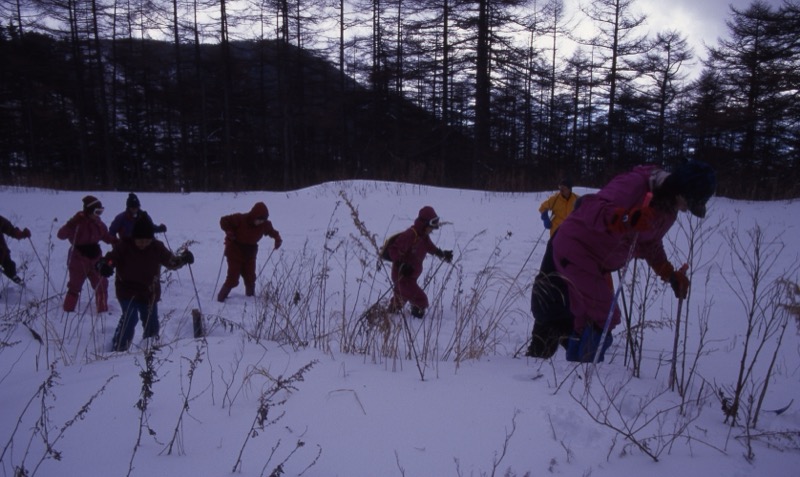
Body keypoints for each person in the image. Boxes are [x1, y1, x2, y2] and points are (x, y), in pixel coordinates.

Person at [527, 161, 716, 362]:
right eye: (687, 201)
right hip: (576, 247)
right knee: (605, 315)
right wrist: (626, 219)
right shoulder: (636, 183)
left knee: (585, 316)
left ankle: (577, 370)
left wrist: (669, 274)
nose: (685, 209)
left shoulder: (668, 211)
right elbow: (591, 207)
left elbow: (650, 244)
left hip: (597, 262)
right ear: (679, 188)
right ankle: (583, 365)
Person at [97, 219, 194, 351]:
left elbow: (171, 262)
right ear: (134, 238)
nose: (143, 244)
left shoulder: (157, 247)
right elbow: (110, 259)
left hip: (149, 292)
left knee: (152, 323)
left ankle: (150, 350)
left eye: (146, 241)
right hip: (127, 290)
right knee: (130, 318)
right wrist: (104, 265)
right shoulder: (124, 246)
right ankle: (119, 348)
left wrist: (183, 259)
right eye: (140, 241)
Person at [387, 206, 453, 318]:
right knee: (421, 300)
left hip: (410, 278)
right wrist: (401, 265)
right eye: (431, 227)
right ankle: (417, 322)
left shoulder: (423, 237)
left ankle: (389, 316)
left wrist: (442, 254)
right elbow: (393, 250)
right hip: (402, 277)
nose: (432, 230)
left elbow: (430, 247)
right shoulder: (410, 235)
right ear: (424, 224)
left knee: (399, 300)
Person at [57, 196, 117, 313]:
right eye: (97, 212)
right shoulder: (77, 223)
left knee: (101, 284)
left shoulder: (99, 224)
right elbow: (61, 235)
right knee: (74, 286)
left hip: (95, 258)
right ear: (89, 211)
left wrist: (117, 242)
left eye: (101, 211)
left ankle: (102, 311)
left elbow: (106, 236)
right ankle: (68, 311)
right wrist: (71, 224)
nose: (99, 215)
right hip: (78, 259)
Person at [217, 202, 283, 302]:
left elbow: (272, 231)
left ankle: (250, 299)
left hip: (250, 253)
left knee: (250, 278)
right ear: (254, 215)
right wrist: (229, 232)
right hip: (235, 251)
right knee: (233, 278)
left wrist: (277, 238)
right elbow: (224, 221)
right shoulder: (240, 219)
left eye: (263, 220)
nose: (260, 222)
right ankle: (220, 299)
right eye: (259, 219)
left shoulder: (264, 224)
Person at [0, 215, 31, 285]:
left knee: (9, 267)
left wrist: (22, 234)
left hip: (2, 255)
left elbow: (11, 230)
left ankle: (12, 274)